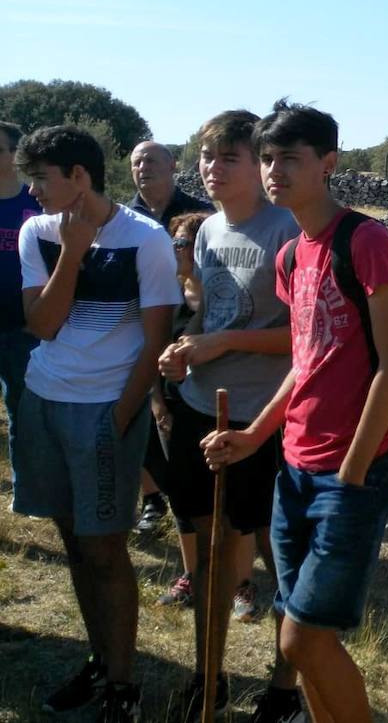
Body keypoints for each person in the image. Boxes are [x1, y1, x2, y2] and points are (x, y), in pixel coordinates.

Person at [202, 101, 388, 723]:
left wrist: (350, 475)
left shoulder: (366, 242)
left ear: (328, 164)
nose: (274, 171)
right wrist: (253, 435)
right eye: (267, 158)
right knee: (304, 630)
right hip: (291, 469)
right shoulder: (293, 255)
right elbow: (306, 359)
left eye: (289, 158)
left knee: (301, 639)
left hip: (352, 472)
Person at [14, 125, 180, 721]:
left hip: (106, 409)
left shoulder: (148, 240)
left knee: (106, 549)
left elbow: (155, 340)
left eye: (41, 178)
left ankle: (123, 682)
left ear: (79, 177)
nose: (32, 192)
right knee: (74, 544)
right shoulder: (38, 232)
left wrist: (121, 414)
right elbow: (43, 325)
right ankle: (97, 660)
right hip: (43, 401)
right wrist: (74, 253)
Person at [156, 111, 304, 722]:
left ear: (258, 164)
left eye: (227, 158)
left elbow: (306, 339)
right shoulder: (209, 232)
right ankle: (208, 674)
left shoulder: (286, 233)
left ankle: (283, 684)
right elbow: (212, 314)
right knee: (210, 546)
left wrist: (221, 344)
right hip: (201, 405)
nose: (211, 170)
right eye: (205, 158)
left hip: (261, 418)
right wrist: (186, 347)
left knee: (275, 554)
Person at [128, 140, 212, 539]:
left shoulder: (200, 216)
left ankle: (199, 507)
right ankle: (152, 499)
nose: (143, 167)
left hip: (189, 324)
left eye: (152, 160)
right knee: (141, 418)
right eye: (137, 161)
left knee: (181, 421)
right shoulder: (124, 217)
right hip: (138, 324)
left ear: (172, 165)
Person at [0, 120, 41, 460]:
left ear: (15, 155)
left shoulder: (36, 201)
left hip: (23, 328)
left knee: (21, 407)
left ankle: (24, 485)